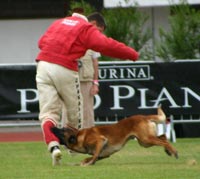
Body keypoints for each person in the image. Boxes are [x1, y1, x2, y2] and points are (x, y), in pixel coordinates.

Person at [35, 12, 139, 166]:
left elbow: (41, 42)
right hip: (65, 68)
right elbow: (107, 45)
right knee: (74, 113)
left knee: (48, 114)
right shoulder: (85, 28)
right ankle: (72, 148)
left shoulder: (58, 23)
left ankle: (53, 146)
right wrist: (132, 54)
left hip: (43, 65)